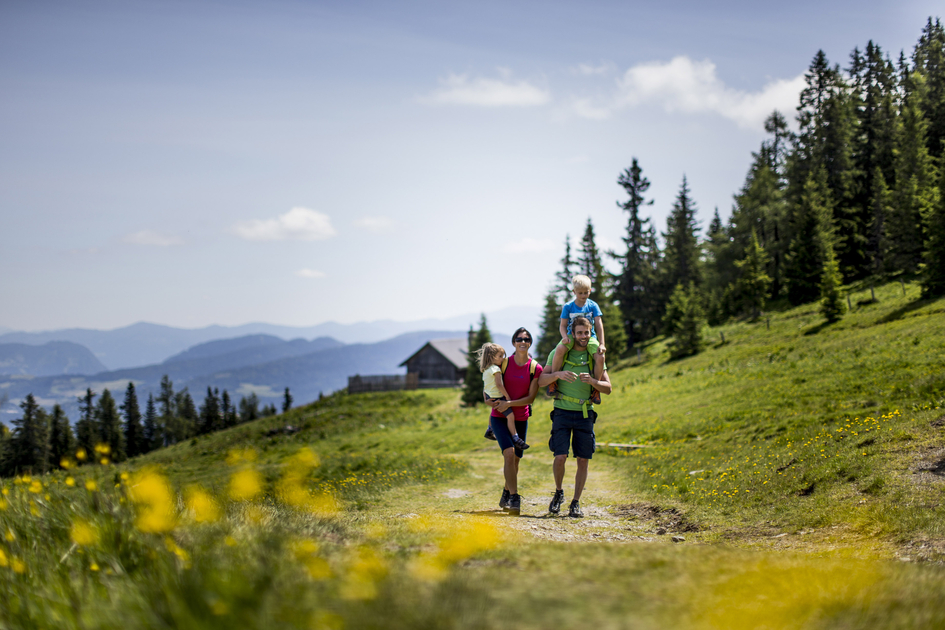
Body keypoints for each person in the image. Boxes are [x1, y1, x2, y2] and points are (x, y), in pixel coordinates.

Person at [538, 316, 611, 518]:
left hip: (585, 413)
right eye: (579, 333)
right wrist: (557, 375)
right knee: (560, 456)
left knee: (583, 460)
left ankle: (576, 502)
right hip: (561, 411)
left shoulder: (593, 355)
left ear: (590, 333)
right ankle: (559, 492)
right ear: (572, 333)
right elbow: (541, 381)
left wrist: (594, 381)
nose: (583, 337)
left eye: (586, 333)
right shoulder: (559, 352)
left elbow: (608, 389)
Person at [486, 328, 542, 516]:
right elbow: (488, 385)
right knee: (509, 454)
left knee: (516, 460)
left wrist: (509, 402)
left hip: (520, 418)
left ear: (530, 342)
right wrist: (487, 399)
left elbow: (530, 398)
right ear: (513, 342)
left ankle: (506, 492)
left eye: (526, 339)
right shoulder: (504, 363)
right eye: (519, 339)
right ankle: (515, 497)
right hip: (499, 416)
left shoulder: (535, 367)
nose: (522, 341)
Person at [547, 274, 605, 400]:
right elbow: (562, 325)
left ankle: (596, 388)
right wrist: (564, 337)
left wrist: (601, 343)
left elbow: (599, 324)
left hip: (590, 336)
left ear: (590, 291)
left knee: (600, 357)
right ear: (574, 292)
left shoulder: (593, 305)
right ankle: (553, 380)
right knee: (560, 350)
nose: (583, 296)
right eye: (580, 293)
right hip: (571, 335)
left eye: (586, 293)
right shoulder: (568, 307)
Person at [477, 342, 529, 451]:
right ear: (492, 357)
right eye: (500, 356)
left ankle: (490, 429)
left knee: (494, 410)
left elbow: (485, 386)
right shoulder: (496, 369)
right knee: (510, 417)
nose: (502, 359)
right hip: (498, 397)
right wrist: (507, 396)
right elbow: (499, 384)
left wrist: (486, 398)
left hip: (489, 395)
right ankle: (515, 437)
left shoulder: (485, 370)